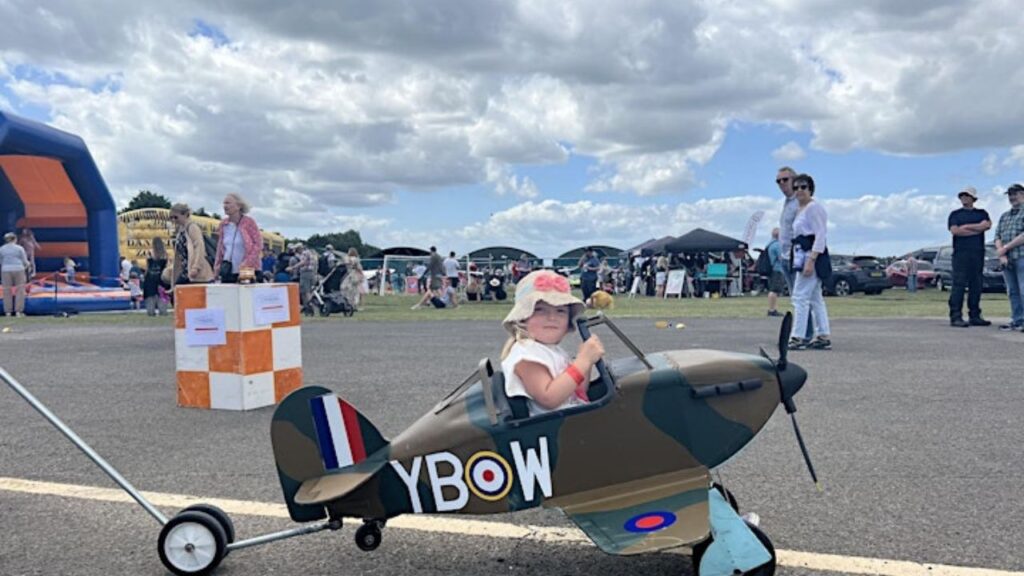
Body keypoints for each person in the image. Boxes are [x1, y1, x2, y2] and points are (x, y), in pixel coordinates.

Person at [499, 270, 605, 417]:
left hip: (572, 420)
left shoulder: (551, 350)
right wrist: (582, 361)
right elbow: (549, 398)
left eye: (560, 311)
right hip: (552, 430)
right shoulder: (526, 354)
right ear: (522, 318)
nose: (551, 317)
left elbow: (578, 391)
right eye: (540, 310)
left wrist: (586, 362)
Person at [788, 174, 832, 351]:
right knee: (815, 298)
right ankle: (822, 334)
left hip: (810, 255)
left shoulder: (814, 208)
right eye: (796, 187)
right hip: (802, 253)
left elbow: (820, 235)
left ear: (810, 189)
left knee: (799, 297)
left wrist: (811, 260)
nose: (799, 190)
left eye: (803, 187)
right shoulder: (801, 209)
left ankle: (797, 337)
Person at [947, 186, 992, 327]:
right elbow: (955, 231)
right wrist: (976, 229)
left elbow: (987, 225)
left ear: (973, 198)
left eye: (967, 195)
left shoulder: (982, 213)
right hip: (960, 253)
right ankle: (956, 316)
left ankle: (975, 315)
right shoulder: (955, 214)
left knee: (976, 284)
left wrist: (966, 227)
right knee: (958, 284)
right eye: (962, 195)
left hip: (977, 253)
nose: (964, 198)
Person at [777, 166, 813, 339]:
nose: (781, 184)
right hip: (785, 256)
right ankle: (806, 332)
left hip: (796, 256)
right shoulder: (787, 203)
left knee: (801, 297)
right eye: (778, 181)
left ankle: (804, 334)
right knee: (796, 296)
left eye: (785, 179)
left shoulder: (800, 203)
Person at [994, 183, 1024, 332]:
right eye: (1010, 195)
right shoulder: (1004, 216)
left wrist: (1006, 248)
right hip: (1007, 259)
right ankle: (1017, 320)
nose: (1012, 197)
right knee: (1012, 291)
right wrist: (1001, 251)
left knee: (1023, 289)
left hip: (1022, 256)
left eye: (1015, 194)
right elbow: (997, 235)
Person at [214, 192, 262, 284]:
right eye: (224, 203)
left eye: (228, 203)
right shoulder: (223, 225)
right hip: (228, 270)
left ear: (238, 206)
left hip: (247, 270)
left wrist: (247, 263)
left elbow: (258, 244)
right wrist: (217, 266)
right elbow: (220, 248)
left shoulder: (249, 223)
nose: (225, 206)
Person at [169, 203, 214, 286]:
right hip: (186, 272)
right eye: (171, 218)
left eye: (176, 217)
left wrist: (196, 267)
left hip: (197, 274)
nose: (173, 220)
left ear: (185, 215)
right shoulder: (180, 231)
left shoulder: (192, 227)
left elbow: (199, 247)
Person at [1, 231, 29, 317]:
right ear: (15, 239)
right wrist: (28, 266)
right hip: (18, 269)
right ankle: (18, 311)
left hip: (5, 269)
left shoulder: (1, 249)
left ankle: (8, 311)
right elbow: (25, 260)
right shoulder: (19, 248)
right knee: (20, 290)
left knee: (6, 290)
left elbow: (1, 261)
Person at [143, 237, 169, 316]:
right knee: (162, 295)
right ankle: (163, 310)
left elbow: (147, 267)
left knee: (150, 296)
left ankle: (151, 311)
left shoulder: (150, 253)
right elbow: (166, 266)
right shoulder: (165, 254)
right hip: (161, 278)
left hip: (150, 278)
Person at [765, 228, 785, 316]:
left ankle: (773, 308)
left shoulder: (769, 244)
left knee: (773, 290)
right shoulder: (777, 245)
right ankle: (772, 309)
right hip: (777, 269)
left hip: (771, 269)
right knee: (774, 290)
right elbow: (782, 258)